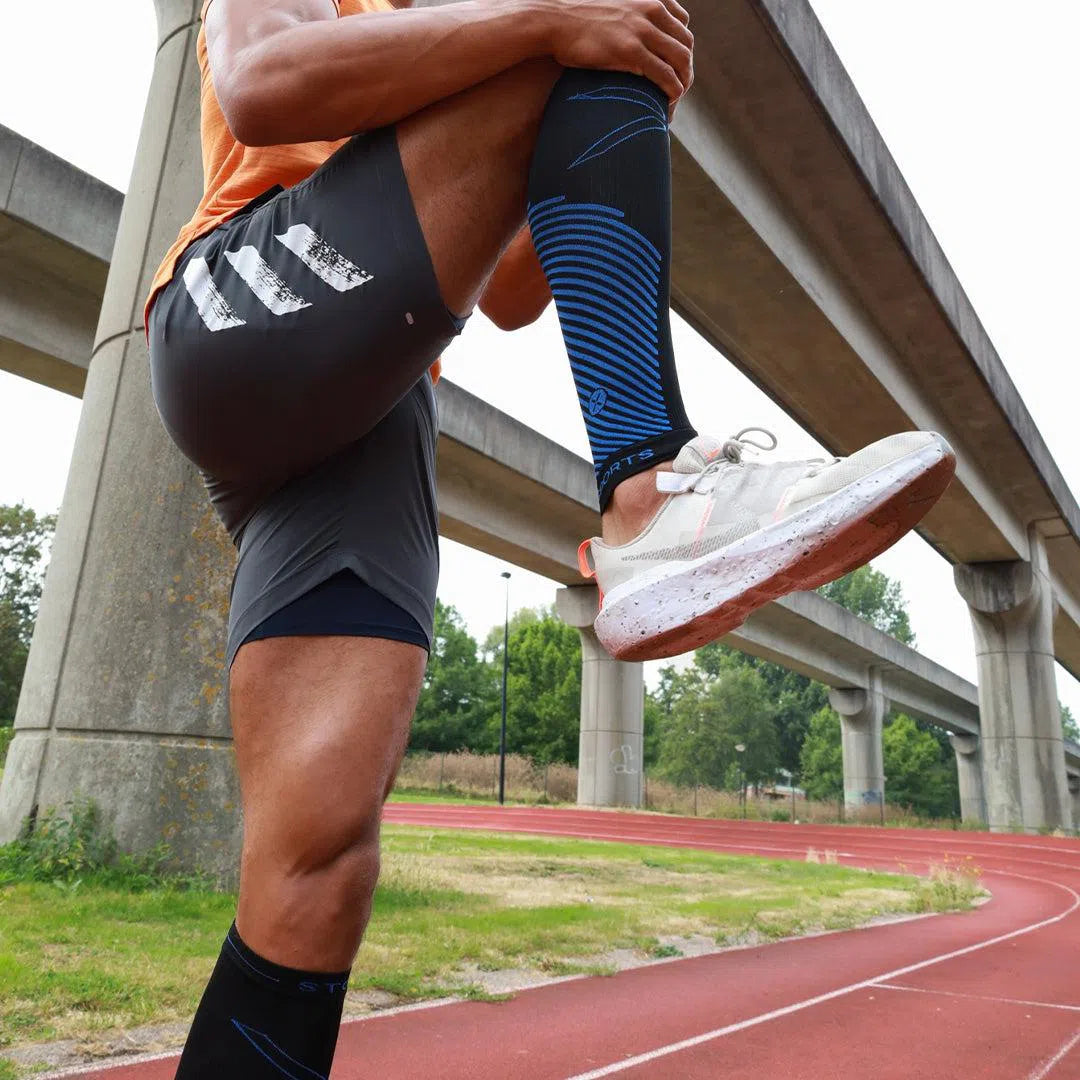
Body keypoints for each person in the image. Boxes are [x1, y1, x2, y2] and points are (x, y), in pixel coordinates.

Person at [144, 0, 955, 1073]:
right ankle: (648, 492)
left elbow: (516, 292)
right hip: (246, 308)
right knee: (588, 26)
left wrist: (606, 109)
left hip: (374, 415)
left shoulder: (450, 30)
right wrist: (563, 33)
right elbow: (261, 81)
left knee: (318, 871)